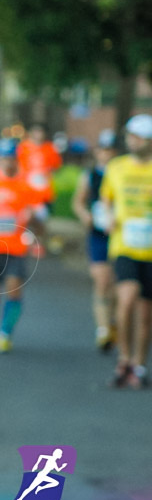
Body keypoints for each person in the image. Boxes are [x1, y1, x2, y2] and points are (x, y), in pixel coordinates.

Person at [100, 114, 152, 389]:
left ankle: (139, 364)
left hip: (150, 250)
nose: (133, 141)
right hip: (124, 245)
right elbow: (106, 199)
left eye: (139, 137)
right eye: (130, 136)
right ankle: (123, 360)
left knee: (145, 314)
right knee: (127, 298)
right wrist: (107, 216)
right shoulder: (116, 167)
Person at [0, 139, 42, 353]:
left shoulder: (25, 184)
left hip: (16, 247)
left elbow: (36, 214)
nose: (7, 162)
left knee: (14, 289)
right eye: (3, 157)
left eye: (11, 158)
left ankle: (5, 333)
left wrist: (33, 218)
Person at [72, 129, 118, 352]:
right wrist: (85, 216)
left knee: (118, 284)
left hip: (120, 234)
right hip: (98, 233)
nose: (106, 155)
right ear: (97, 152)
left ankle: (113, 320)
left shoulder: (123, 174)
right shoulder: (89, 176)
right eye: (103, 150)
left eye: (111, 150)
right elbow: (78, 202)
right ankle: (103, 330)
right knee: (101, 280)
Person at [17, 122, 62, 254]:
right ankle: (25, 241)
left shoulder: (49, 148)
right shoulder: (23, 148)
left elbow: (55, 167)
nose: (38, 135)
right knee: (26, 217)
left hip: (43, 192)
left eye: (41, 132)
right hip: (26, 190)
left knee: (41, 218)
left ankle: (39, 242)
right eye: (36, 131)